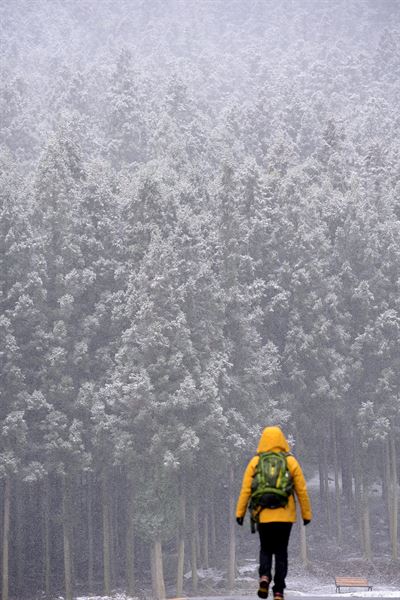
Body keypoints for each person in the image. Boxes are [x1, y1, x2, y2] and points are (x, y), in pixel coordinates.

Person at [236, 426, 312, 600]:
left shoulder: (256, 461)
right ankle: (278, 591)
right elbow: (301, 489)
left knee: (265, 549)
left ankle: (264, 577)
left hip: (263, 515)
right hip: (285, 517)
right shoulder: (290, 461)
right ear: (282, 440)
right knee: (281, 552)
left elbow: (246, 489)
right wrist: (306, 514)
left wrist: (239, 513)